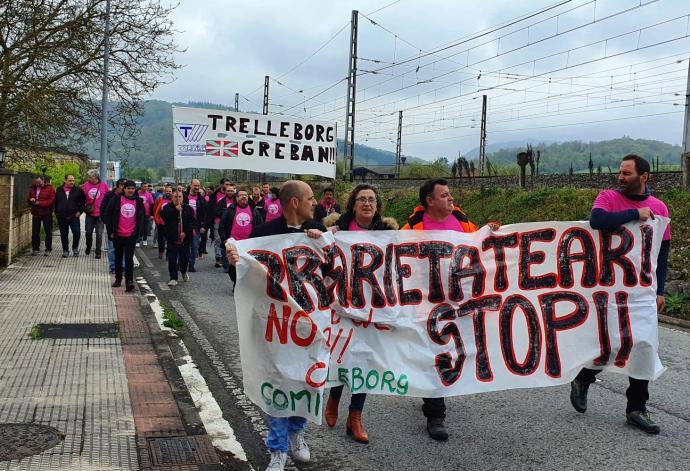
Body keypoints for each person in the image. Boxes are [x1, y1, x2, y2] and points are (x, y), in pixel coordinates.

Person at [226, 180, 324, 471]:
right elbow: (245, 277)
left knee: (306, 379)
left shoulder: (317, 232)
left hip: (308, 325)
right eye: (309, 198)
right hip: (275, 325)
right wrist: (235, 261)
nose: (314, 202)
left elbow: (334, 271)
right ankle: (278, 448)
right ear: (294, 202)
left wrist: (324, 243)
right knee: (277, 380)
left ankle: (297, 431)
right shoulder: (262, 235)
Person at [569, 154, 670, 434]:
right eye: (620, 173)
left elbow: (662, 253)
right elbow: (597, 220)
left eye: (627, 173)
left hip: (642, 290)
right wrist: (633, 214)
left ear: (644, 177)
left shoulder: (659, 208)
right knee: (612, 343)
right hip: (609, 289)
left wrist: (660, 289)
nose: (621, 178)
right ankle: (584, 378)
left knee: (644, 345)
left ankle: (636, 408)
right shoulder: (609, 198)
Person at [401, 178, 499, 441]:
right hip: (425, 305)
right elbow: (399, 262)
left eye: (450, 194)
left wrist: (491, 233)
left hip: (458, 304)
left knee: (453, 351)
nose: (450, 198)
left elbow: (481, 251)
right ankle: (436, 414)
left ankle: (433, 395)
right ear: (429, 201)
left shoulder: (464, 223)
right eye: (444, 195)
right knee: (435, 355)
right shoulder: (412, 228)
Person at [323, 184, 397, 444]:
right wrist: (324, 236)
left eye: (372, 200)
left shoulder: (389, 234)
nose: (367, 204)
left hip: (372, 307)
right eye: (362, 199)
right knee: (343, 356)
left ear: (377, 206)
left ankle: (355, 417)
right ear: (353, 204)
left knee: (365, 360)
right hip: (341, 306)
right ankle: (333, 399)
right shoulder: (336, 230)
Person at [218, 188, 263, 289]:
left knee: (248, 265)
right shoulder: (230, 210)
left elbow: (260, 225)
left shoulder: (253, 210)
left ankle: (243, 285)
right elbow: (222, 226)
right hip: (234, 243)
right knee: (233, 265)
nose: (244, 197)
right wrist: (224, 238)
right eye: (241, 195)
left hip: (249, 243)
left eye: (246, 195)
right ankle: (236, 282)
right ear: (237, 198)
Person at [104, 180, 145, 292]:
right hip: (118, 234)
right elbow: (108, 214)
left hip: (131, 234)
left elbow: (142, 218)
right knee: (118, 257)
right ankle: (118, 279)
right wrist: (110, 231)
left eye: (132, 188)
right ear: (124, 189)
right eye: (128, 188)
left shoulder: (138, 201)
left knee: (129, 259)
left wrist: (139, 232)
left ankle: (129, 282)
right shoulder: (116, 199)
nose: (131, 190)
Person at [162, 191, 194, 286]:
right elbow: (165, 218)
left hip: (185, 239)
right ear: (172, 198)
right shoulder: (167, 208)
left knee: (184, 259)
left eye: (180, 197)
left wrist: (186, 233)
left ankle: (183, 271)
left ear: (183, 198)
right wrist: (175, 210)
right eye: (175, 197)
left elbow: (192, 223)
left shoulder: (188, 209)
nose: (178, 198)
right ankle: (173, 277)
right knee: (172, 259)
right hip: (172, 239)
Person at [55, 174, 86, 257]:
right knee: (64, 234)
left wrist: (80, 211)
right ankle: (65, 250)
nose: (72, 182)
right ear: (65, 180)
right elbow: (56, 202)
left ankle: (75, 248)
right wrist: (57, 213)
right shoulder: (59, 190)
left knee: (77, 233)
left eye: (73, 180)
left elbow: (83, 202)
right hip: (62, 216)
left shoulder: (78, 190)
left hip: (74, 216)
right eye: (70, 180)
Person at [82, 169, 109, 258]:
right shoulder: (85, 185)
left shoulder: (104, 185)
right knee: (88, 232)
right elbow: (81, 198)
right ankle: (88, 246)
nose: (89, 178)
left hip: (100, 214)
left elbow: (108, 198)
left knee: (99, 234)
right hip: (90, 213)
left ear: (95, 177)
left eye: (90, 177)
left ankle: (98, 252)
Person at [101, 178, 126, 273]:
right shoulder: (110, 196)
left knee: (124, 249)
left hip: (124, 228)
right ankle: (113, 267)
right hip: (112, 227)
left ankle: (123, 266)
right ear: (118, 186)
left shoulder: (129, 198)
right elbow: (103, 210)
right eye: (122, 186)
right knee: (112, 248)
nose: (124, 189)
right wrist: (107, 223)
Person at [28, 175, 55, 256]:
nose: (37, 184)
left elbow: (51, 201)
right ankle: (35, 249)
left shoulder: (50, 188)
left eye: (39, 182)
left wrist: (39, 203)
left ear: (43, 181)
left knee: (48, 232)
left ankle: (48, 249)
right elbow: (29, 199)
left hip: (47, 213)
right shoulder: (32, 188)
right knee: (35, 233)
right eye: (36, 183)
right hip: (36, 213)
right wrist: (31, 200)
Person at [206, 178, 231, 267]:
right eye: (226, 184)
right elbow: (211, 209)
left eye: (229, 184)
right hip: (218, 221)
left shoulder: (233, 196)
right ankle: (218, 258)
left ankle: (228, 258)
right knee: (218, 239)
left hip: (229, 222)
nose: (227, 186)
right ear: (221, 185)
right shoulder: (214, 195)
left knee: (228, 240)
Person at [213, 183, 237, 272]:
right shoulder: (221, 202)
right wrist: (225, 213)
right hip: (223, 224)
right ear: (225, 191)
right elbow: (216, 212)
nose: (230, 192)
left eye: (231, 191)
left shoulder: (236, 200)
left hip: (234, 225)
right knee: (224, 242)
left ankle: (234, 263)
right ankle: (225, 264)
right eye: (228, 191)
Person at [183, 178, 206, 272]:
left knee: (195, 246)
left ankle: (191, 264)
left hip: (196, 226)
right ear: (190, 185)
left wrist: (203, 226)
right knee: (185, 246)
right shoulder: (184, 197)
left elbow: (205, 214)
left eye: (198, 186)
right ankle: (183, 263)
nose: (196, 187)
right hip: (185, 225)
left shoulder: (201, 199)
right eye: (195, 185)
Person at [153, 184, 173, 259]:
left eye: (170, 191)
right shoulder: (160, 199)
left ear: (172, 192)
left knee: (170, 240)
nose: (168, 192)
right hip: (161, 223)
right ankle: (161, 251)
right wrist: (157, 221)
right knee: (161, 239)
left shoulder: (174, 200)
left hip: (171, 224)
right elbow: (155, 210)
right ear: (164, 191)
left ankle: (169, 254)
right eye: (167, 191)